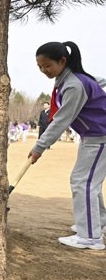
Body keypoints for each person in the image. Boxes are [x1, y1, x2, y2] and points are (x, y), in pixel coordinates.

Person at [29, 41, 106, 250]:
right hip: (92, 137)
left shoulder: (73, 84)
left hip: (100, 137)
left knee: (83, 182)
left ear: (62, 61)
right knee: (88, 181)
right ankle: (97, 223)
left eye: (47, 65)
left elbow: (62, 120)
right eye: (40, 67)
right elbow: (100, 81)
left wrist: (39, 147)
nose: (44, 70)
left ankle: (90, 236)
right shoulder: (70, 79)